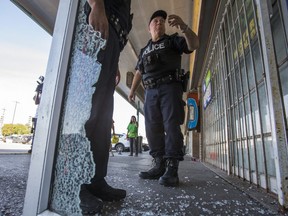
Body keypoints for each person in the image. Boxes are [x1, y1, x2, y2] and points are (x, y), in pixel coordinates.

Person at [128, 10, 199, 187]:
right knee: (152, 128)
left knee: (171, 125)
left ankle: (172, 168)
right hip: (150, 91)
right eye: (156, 21)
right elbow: (138, 72)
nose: (159, 22)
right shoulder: (144, 50)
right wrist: (131, 91)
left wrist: (184, 27)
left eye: (162, 21)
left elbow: (194, 44)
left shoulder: (172, 40)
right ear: (149, 27)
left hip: (170, 87)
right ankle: (159, 165)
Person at [80, 0, 133, 214]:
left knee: (103, 117)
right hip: (96, 27)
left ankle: (96, 179)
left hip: (110, 42)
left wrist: (116, 59)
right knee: (87, 111)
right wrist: (96, 4)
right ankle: (76, 183)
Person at [28, 75, 44, 153]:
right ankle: (33, 148)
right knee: (36, 133)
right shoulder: (39, 93)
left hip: (44, 116)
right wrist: (37, 91)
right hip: (38, 115)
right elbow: (36, 101)